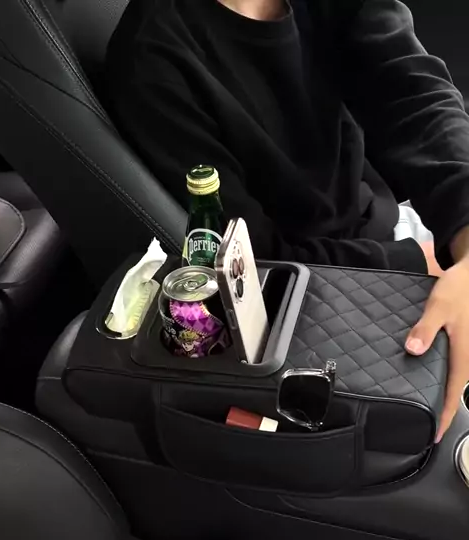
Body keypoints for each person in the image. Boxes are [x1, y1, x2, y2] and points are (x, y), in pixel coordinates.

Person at [106, 0, 469, 440]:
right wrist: (408, 263)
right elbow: (251, 263)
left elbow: (418, 99)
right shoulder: (154, 60)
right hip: (321, 295)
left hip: (395, 229)